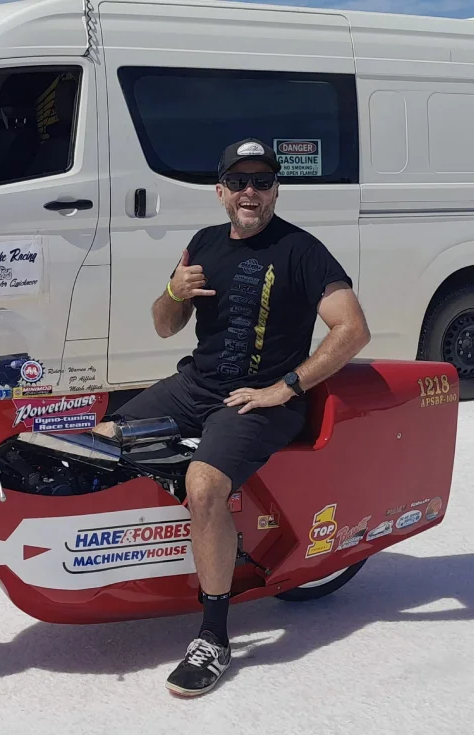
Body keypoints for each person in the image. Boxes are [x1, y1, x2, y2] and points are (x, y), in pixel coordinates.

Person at [93, 138, 370, 697]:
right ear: (220, 192)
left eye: (262, 181)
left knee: (203, 482)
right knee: (98, 440)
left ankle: (213, 635)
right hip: (196, 384)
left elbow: (352, 329)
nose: (251, 192)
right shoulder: (203, 243)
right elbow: (165, 326)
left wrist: (284, 387)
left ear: (275, 190)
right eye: (239, 182)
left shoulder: (302, 250)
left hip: (258, 401)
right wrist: (173, 291)